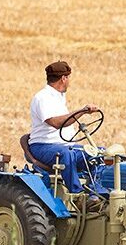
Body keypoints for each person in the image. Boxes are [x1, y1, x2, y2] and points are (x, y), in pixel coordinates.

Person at [27, 60, 99, 194]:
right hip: (42, 146)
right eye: (68, 77)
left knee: (97, 154)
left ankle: (96, 193)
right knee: (66, 154)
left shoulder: (59, 96)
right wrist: (81, 111)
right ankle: (77, 193)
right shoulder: (42, 98)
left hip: (63, 145)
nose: (69, 81)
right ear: (63, 78)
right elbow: (55, 123)